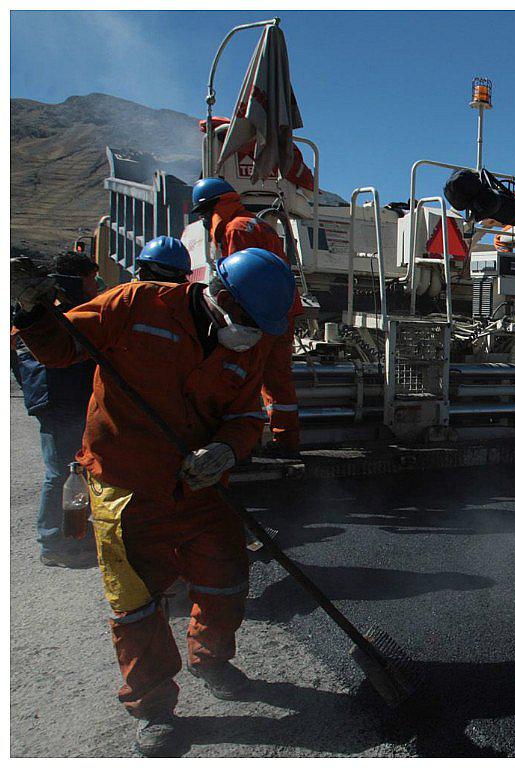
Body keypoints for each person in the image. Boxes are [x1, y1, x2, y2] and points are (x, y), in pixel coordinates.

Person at [12, 248, 296, 756]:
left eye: (262, 329)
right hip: (127, 486)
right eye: (250, 323)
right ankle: (154, 706)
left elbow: (245, 415)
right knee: (136, 605)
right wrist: (32, 312)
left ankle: (212, 660)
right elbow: (59, 349)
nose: (253, 335)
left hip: (201, 488)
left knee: (226, 580)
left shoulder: (248, 345)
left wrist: (227, 449)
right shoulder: (136, 304)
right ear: (221, 295)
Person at [190, 177, 302, 454]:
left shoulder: (235, 229)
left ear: (212, 208)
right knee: (278, 378)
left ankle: (243, 444)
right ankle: (286, 441)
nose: (204, 221)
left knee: (244, 377)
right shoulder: (255, 223)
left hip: (258, 313)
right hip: (282, 310)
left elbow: (240, 280)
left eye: (203, 214)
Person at [10, 251, 99, 567]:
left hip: (53, 396)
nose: (95, 285)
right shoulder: (65, 305)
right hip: (62, 397)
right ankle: (54, 542)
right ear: (79, 279)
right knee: (62, 471)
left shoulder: (43, 303)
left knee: (69, 469)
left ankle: (71, 534)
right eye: (92, 279)